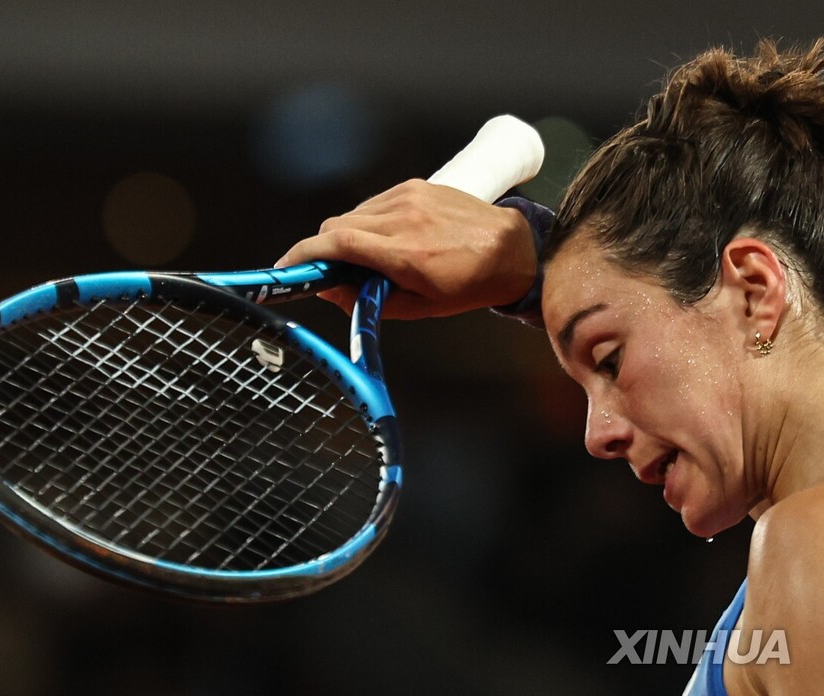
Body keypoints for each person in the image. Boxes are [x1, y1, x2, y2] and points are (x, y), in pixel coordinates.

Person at [276, 39, 824, 694]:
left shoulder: (804, 543)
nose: (597, 435)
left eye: (609, 359)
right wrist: (545, 261)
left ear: (755, 292)